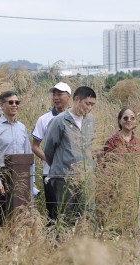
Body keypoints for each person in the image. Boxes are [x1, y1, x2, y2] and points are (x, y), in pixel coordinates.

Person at [42, 86, 97, 227]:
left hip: (86, 177)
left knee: (88, 216)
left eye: (92, 105)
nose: (89, 108)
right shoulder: (59, 121)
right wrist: (62, 165)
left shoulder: (90, 121)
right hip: (64, 178)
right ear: (77, 99)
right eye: (87, 103)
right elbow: (48, 150)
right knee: (67, 217)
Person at [0, 92, 33, 225]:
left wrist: (31, 180)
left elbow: (28, 155)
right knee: (1, 218)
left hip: (21, 176)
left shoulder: (22, 128)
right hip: (3, 175)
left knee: (21, 215)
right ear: (1, 105)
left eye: (17, 102)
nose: (14, 105)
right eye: (11, 102)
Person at [102, 107, 140, 241]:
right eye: (125, 118)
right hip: (118, 184)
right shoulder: (112, 141)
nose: (129, 120)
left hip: (137, 183)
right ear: (120, 121)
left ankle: (135, 254)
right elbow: (105, 165)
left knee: (138, 220)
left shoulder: (139, 141)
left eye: (132, 118)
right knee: (121, 220)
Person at [32, 82, 72, 222]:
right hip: (49, 173)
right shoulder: (44, 119)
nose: (56, 97)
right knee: (53, 213)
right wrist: (49, 159)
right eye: (54, 94)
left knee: (70, 212)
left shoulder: (75, 118)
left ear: (68, 96)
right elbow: (35, 145)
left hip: (71, 173)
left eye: (59, 94)